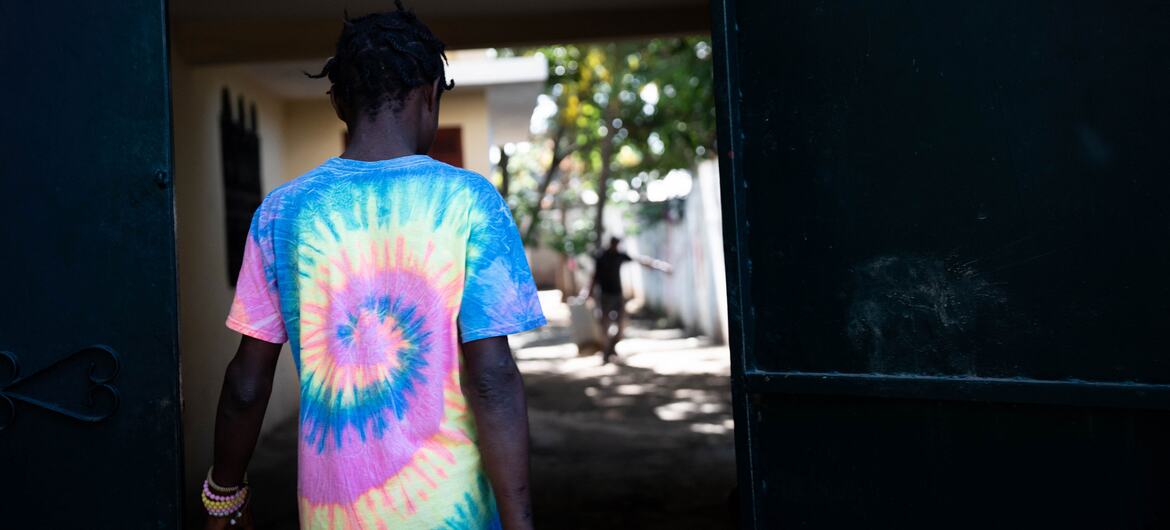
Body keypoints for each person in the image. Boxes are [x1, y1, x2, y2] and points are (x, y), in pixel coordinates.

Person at [203, 4, 546, 529]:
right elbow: (492, 379)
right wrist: (520, 521)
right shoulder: (470, 201)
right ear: (431, 93)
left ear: (340, 102)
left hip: (332, 515)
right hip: (453, 512)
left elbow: (247, 384)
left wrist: (223, 496)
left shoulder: (282, 211)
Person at [587, 236, 671, 363]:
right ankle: (606, 351)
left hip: (618, 295)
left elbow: (638, 260)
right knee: (605, 325)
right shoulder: (601, 257)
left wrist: (657, 265)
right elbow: (594, 276)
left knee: (621, 325)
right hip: (604, 296)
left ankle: (610, 348)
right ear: (611, 244)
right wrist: (589, 292)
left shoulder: (619, 256)